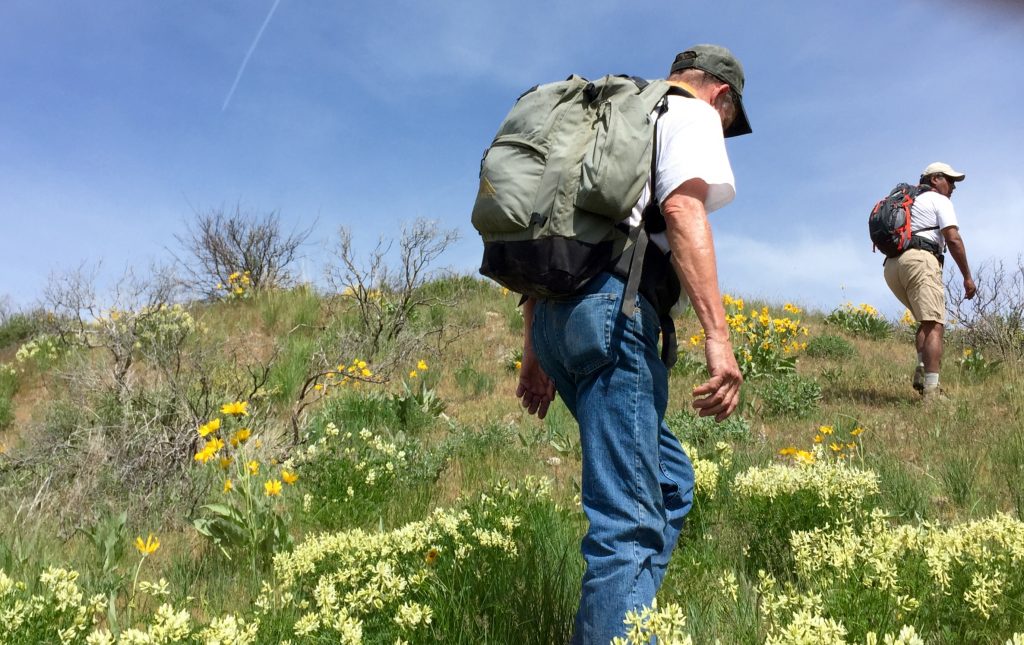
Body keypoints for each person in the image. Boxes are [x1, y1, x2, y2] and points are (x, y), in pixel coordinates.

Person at [515, 44, 749, 644]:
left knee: (670, 482)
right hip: (612, 319)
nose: (727, 130)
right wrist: (718, 339)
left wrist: (534, 351)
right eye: (732, 120)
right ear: (721, 94)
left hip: (558, 321)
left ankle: (618, 624)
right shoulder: (689, 112)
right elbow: (681, 209)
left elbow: (555, 230)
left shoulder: (605, 117)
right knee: (629, 521)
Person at [883, 161, 977, 400]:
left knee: (926, 322)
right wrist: (967, 276)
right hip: (921, 260)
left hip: (893, 266)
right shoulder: (939, 200)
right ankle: (932, 393)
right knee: (935, 323)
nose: (953, 186)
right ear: (935, 179)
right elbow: (953, 239)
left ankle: (922, 370)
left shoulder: (911, 200)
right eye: (950, 180)